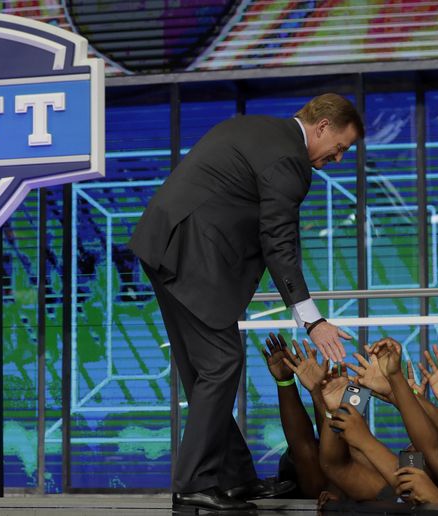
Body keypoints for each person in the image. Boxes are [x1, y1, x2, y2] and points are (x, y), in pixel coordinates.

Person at [129, 93, 364, 512]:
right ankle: (194, 485)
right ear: (323, 126)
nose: (339, 159)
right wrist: (312, 320)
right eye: (340, 147)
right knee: (221, 365)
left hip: (166, 245)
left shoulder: (255, 128)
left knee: (207, 371)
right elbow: (279, 242)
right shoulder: (290, 162)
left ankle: (235, 479)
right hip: (191, 256)